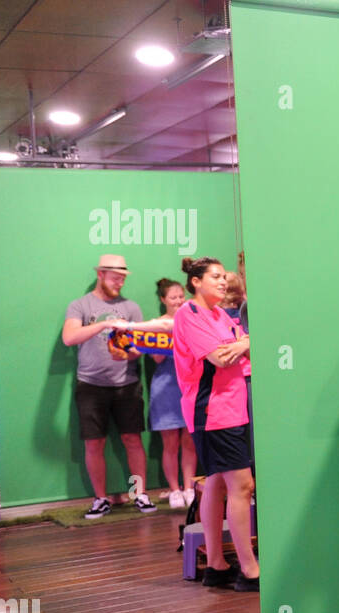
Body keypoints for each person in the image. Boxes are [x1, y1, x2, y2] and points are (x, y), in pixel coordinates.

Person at [173, 256, 259, 592]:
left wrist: (243, 345)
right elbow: (220, 357)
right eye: (215, 277)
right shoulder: (188, 315)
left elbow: (242, 353)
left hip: (231, 409)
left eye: (225, 277)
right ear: (196, 282)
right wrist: (247, 342)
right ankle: (249, 570)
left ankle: (216, 565)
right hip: (212, 412)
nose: (223, 282)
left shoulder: (222, 314)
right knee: (243, 487)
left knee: (217, 484)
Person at [61, 254, 155, 518]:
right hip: (90, 385)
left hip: (127, 384)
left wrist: (129, 353)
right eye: (116, 278)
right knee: (94, 443)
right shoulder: (80, 305)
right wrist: (104, 323)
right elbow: (69, 337)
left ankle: (139, 494)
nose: (120, 283)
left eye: (123, 278)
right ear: (100, 274)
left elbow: (142, 346)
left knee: (132, 439)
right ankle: (100, 499)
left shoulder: (132, 308)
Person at [125, 279, 198, 508]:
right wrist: (170, 336)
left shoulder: (194, 319)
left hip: (189, 385)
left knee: (190, 441)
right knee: (170, 444)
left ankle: (189, 488)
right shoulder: (156, 324)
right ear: (163, 300)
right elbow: (155, 356)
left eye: (180, 296)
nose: (178, 301)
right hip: (165, 387)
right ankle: (175, 490)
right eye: (173, 297)